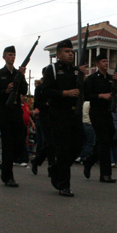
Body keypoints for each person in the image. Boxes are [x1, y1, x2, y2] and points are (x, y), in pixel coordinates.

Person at [42, 39, 84, 196]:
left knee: (79, 143)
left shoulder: (75, 71)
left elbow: (82, 92)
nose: (70, 54)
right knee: (63, 150)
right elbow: (45, 91)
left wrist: (82, 79)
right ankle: (64, 185)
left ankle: (56, 168)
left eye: (71, 52)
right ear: (58, 54)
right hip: (58, 114)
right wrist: (64, 93)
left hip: (74, 114)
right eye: (67, 52)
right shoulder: (52, 69)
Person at [0, 45, 28, 187]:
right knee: (7, 144)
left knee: (19, 142)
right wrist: (6, 90)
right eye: (10, 54)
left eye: (14, 54)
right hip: (5, 111)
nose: (12, 57)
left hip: (16, 110)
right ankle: (8, 176)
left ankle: (5, 164)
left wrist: (22, 76)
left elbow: (24, 90)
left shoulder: (18, 73)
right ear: (4, 57)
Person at [83, 53, 117, 183]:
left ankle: (89, 161)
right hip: (96, 112)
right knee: (104, 141)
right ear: (97, 63)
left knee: (108, 139)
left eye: (107, 61)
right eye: (103, 61)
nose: (106, 63)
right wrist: (101, 96)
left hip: (107, 112)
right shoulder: (92, 78)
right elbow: (86, 95)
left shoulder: (110, 78)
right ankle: (105, 174)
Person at [31, 70, 54, 175]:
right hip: (44, 117)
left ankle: (37, 161)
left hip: (55, 117)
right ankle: (51, 166)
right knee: (48, 142)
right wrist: (47, 104)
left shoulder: (54, 86)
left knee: (52, 143)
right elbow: (37, 104)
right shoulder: (39, 88)